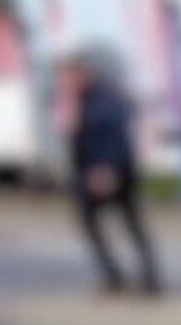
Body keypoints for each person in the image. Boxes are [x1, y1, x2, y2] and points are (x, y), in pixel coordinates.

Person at [63, 59, 159, 298]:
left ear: (83, 74)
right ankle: (118, 277)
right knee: (98, 222)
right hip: (93, 173)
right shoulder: (82, 101)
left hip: (111, 173)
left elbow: (116, 137)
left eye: (70, 77)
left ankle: (148, 279)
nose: (67, 83)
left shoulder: (105, 99)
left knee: (130, 224)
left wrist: (108, 169)